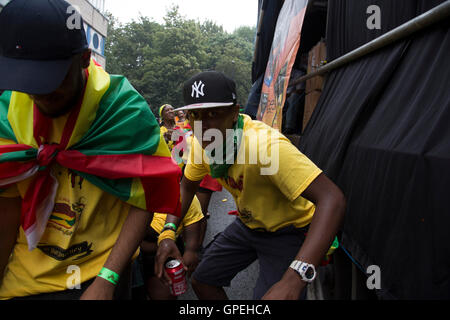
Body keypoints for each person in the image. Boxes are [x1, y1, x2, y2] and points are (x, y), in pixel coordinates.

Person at [0, 0, 181, 300]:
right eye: (26, 80)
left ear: (84, 59)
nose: (38, 94)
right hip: (24, 277)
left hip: (98, 273)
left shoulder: (123, 112)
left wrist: (107, 280)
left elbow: (146, 197)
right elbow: (6, 208)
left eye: (49, 79)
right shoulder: (8, 113)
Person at [155, 71, 346, 300]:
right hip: (249, 224)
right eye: (194, 115)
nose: (202, 125)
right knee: (202, 280)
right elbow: (187, 187)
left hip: (290, 230)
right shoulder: (199, 144)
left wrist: (294, 279)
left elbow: (332, 199)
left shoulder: (263, 147)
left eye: (213, 113)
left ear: (235, 113)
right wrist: (168, 231)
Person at [139, 195, 205, 300]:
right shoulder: (134, 192)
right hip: (129, 252)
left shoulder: (185, 196)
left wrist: (190, 251)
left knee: (163, 295)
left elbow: (193, 223)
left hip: (164, 254)